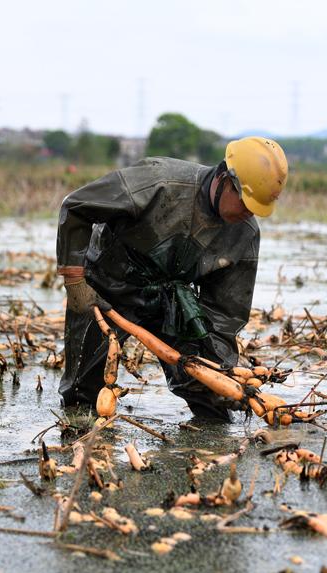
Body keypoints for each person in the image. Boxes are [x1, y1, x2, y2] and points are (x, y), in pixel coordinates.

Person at [56, 137, 288, 421]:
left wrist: (221, 371)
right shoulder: (158, 182)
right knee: (82, 394)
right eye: (246, 203)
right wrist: (74, 279)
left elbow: (225, 314)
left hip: (172, 298)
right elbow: (77, 207)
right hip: (106, 288)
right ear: (225, 179)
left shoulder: (245, 234)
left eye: (257, 208)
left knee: (213, 397)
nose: (249, 213)